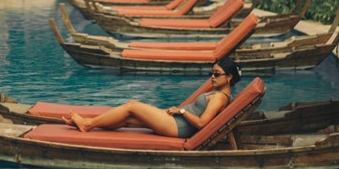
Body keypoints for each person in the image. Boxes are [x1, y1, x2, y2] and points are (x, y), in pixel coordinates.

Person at [64, 58, 242, 137]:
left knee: (132, 105)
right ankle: (88, 122)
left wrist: (181, 111)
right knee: (129, 118)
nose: (212, 76)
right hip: (177, 121)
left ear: (229, 77)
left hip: (178, 127)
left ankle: (87, 125)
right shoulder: (218, 92)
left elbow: (202, 124)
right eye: (211, 73)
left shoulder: (220, 97)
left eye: (217, 74)